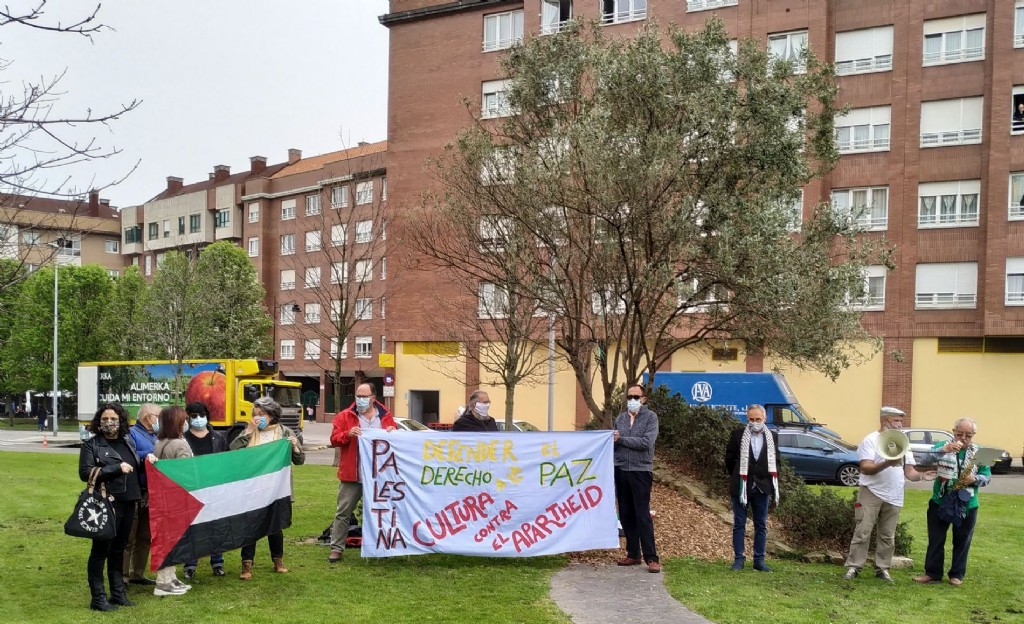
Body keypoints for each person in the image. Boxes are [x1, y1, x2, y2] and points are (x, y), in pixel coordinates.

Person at [843, 407, 934, 583]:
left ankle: (882, 568)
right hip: (871, 492)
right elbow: (866, 468)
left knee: (887, 535)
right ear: (885, 421)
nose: (900, 425)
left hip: (894, 494)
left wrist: (922, 476)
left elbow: (909, 472)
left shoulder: (903, 442)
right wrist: (887, 463)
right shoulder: (871, 440)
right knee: (863, 530)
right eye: (897, 421)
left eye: (901, 421)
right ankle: (854, 567)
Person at [230, 396, 305, 579]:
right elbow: (233, 450)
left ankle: (278, 561)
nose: (258, 418)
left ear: (272, 415)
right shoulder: (249, 432)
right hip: (253, 487)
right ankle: (247, 565)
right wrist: (249, 430)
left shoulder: (285, 432)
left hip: (277, 488)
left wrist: (295, 447)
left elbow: (300, 460)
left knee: (275, 526)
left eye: (262, 414)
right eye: (255, 414)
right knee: (251, 525)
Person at [78, 403, 142, 611]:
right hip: (107, 504)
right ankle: (98, 598)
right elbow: (85, 472)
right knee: (100, 551)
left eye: (113, 419)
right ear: (99, 422)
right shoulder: (92, 444)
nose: (109, 423)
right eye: (105, 419)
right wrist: (116, 468)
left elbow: (135, 465)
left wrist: (147, 460)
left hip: (129, 501)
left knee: (119, 550)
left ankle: (117, 594)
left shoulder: (127, 441)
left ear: (121, 420)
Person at [913, 417, 991, 587]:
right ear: (953, 432)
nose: (963, 438)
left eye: (968, 435)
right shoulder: (943, 446)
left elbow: (986, 477)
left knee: (962, 540)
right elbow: (924, 461)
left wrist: (974, 478)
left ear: (973, 435)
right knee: (936, 538)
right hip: (940, 500)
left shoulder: (980, 453)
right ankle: (932, 573)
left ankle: (956, 575)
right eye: (959, 434)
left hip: (967, 503)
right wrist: (944, 449)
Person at [328, 383, 396, 562]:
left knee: (378, 511)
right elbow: (334, 439)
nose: (360, 399)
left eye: (364, 396)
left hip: (377, 476)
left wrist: (392, 432)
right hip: (352, 474)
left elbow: (394, 439)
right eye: (358, 395)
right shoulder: (345, 416)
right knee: (343, 512)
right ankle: (336, 548)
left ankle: (379, 547)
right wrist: (347, 434)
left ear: (373, 397)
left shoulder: (385, 416)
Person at [725, 404, 779, 572]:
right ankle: (739, 559)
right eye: (751, 419)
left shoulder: (773, 436)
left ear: (765, 419)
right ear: (747, 419)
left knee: (761, 524)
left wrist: (770, 481)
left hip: (762, 486)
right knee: (739, 524)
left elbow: (777, 461)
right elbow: (729, 459)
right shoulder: (737, 435)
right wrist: (738, 476)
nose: (755, 422)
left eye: (758, 419)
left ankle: (759, 560)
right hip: (742, 486)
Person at [613, 384, 660, 573]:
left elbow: (646, 443)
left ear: (644, 399)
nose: (632, 400)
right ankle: (633, 554)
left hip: (641, 471)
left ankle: (652, 557)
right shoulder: (620, 418)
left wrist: (621, 439)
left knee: (642, 515)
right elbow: (614, 442)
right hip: (621, 469)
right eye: (630, 396)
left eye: (636, 397)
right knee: (625, 514)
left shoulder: (651, 418)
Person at [182, 402, 229, 580]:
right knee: (192, 527)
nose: (198, 419)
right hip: (192, 489)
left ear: (207, 415)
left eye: (201, 415)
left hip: (214, 488)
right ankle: (190, 564)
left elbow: (227, 460)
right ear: (188, 417)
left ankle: (217, 562)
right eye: (193, 416)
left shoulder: (218, 437)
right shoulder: (183, 438)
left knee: (214, 526)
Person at [151, 406, 193, 596]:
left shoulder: (160, 442)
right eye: (184, 420)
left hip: (164, 497)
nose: (187, 423)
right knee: (172, 540)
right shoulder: (180, 444)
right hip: (177, 498)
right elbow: (185, 471)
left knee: (167, 538)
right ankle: (163, 582)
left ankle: (170, 577)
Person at [124, 403, 160, 586]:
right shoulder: (131, 434)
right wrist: (148, 455)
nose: (160, 420)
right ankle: (122, 577)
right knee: (129, 537)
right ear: (148, 417)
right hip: (136, 491)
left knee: (145, 536)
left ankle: (137, 573)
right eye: (158, 416)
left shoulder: (154, 435)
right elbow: (129, 457)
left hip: (150, 492)